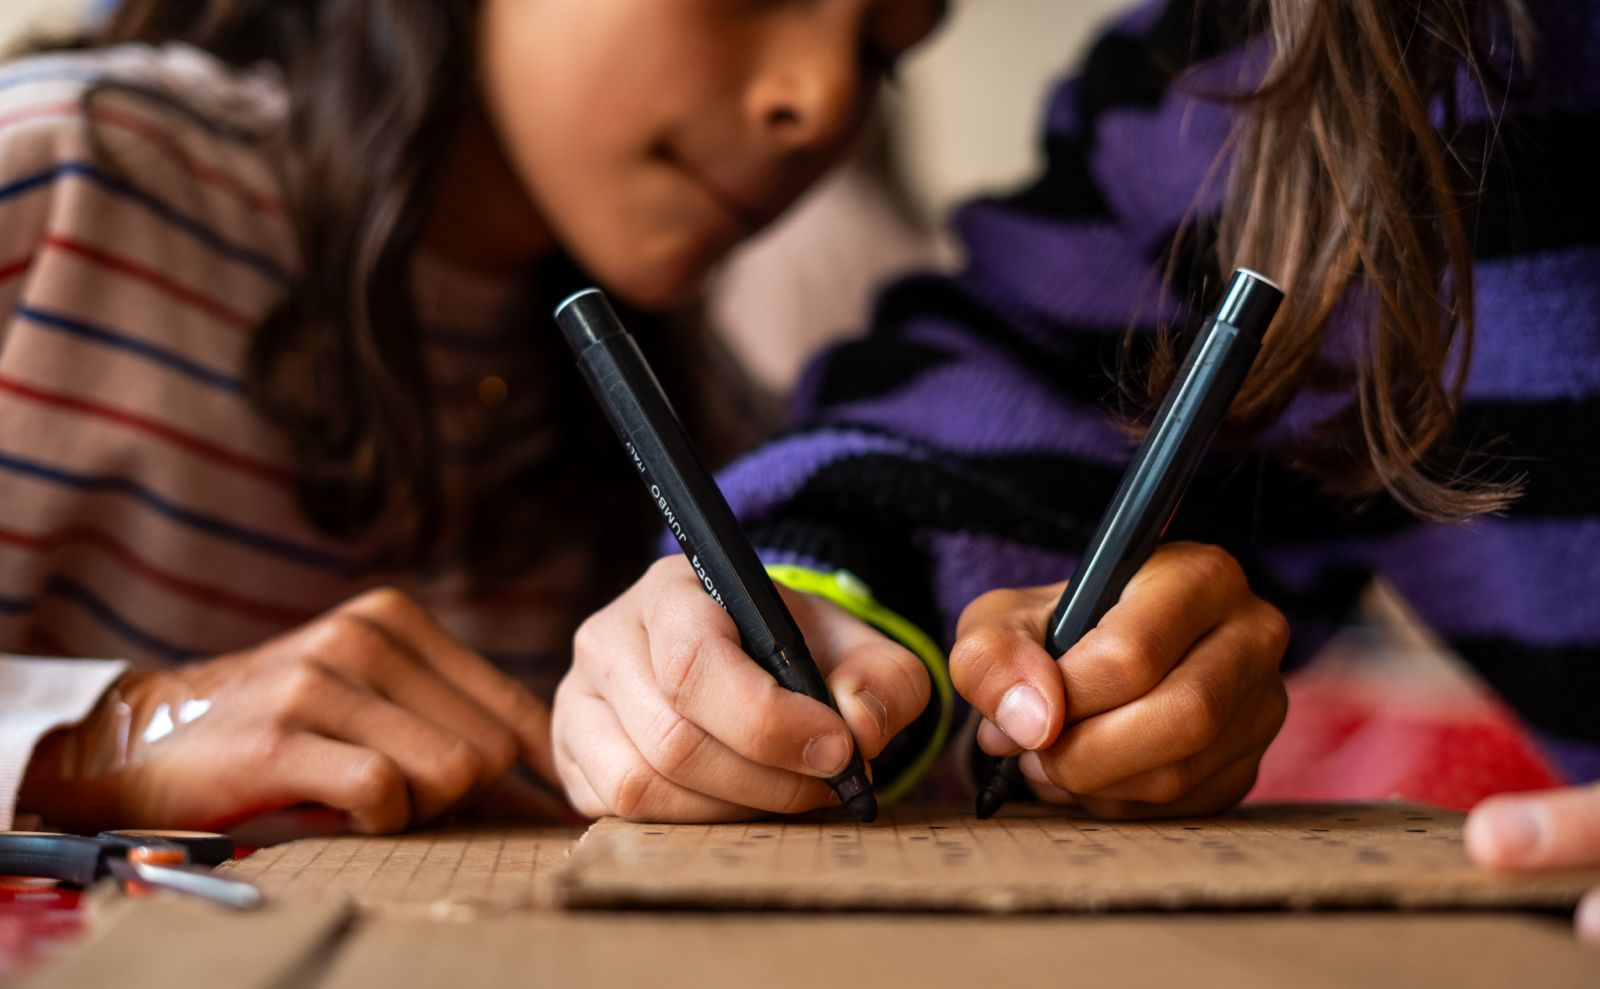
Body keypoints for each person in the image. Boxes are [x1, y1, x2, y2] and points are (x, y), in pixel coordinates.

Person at [554, 0, 1600, 941]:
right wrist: (824, 599)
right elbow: (987, 413)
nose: (828, 102)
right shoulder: (1232, 82)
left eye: (883, 57)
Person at [0, 0, 949, 834]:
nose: (822, 103)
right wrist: (103, 739)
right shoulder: (54, 179)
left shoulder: (709, 417)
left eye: (883, 53)